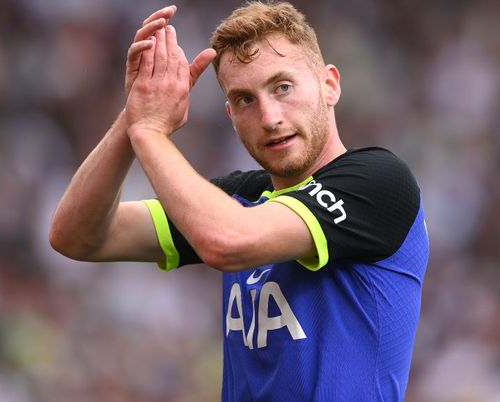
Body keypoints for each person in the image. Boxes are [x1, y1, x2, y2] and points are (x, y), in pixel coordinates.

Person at [50, 1, 429, 400]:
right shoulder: (242, 197)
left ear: (329, 85)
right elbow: (77, 236)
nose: (269, 116)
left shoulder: (378, 181)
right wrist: (133, 117)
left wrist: (150, 133)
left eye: (282, 87)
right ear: (230, 113)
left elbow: (227, 241)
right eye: (245, 99)